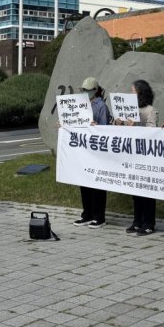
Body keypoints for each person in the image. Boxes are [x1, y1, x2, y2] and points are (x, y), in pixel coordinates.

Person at [116, 79, 158, 236]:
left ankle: (149, 223)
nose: (130, 94)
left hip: (145, 157)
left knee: (147, 191)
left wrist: (135, 126)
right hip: (131, 155)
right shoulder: (128, 109)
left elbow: (152, 132)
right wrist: (118, 123)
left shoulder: (150, 110)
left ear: (141, 93)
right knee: (135, 190)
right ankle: (137, 221)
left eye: (133, 91)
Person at [73, 76, 112, 229]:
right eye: (83, 90)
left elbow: (105, 130)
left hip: (97, 152)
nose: (85, 92)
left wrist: (96, 127)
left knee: (97, 185)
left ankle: (99, 217)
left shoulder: (101, 106)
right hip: (84, 150)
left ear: (96, 90)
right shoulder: (80, 104)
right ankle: (87, 214)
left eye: (88, 90)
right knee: (84, 183)